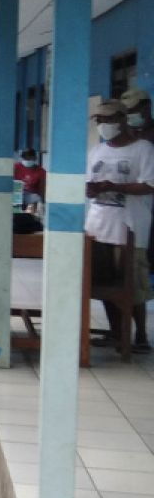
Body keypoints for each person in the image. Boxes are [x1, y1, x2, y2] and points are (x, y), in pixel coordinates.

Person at [85, 100, 154, 353]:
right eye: (100, 120)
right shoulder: (96, 151)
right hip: (98, 226)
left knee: (132, 285)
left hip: (130, 228)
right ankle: (116, 333)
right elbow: (88, 184)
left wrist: (113, 186)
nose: (104, 125)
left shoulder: (142, 149)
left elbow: (149, 184)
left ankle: (141, 337)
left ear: (123, 119)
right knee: (105, 285)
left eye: (109, 119)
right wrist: (91, 189)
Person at [120, 87, 154, 268]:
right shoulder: (126, 136)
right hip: (132, 202)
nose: (130, 115)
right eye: (127, 112)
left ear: (147, 107)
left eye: (134, 110)